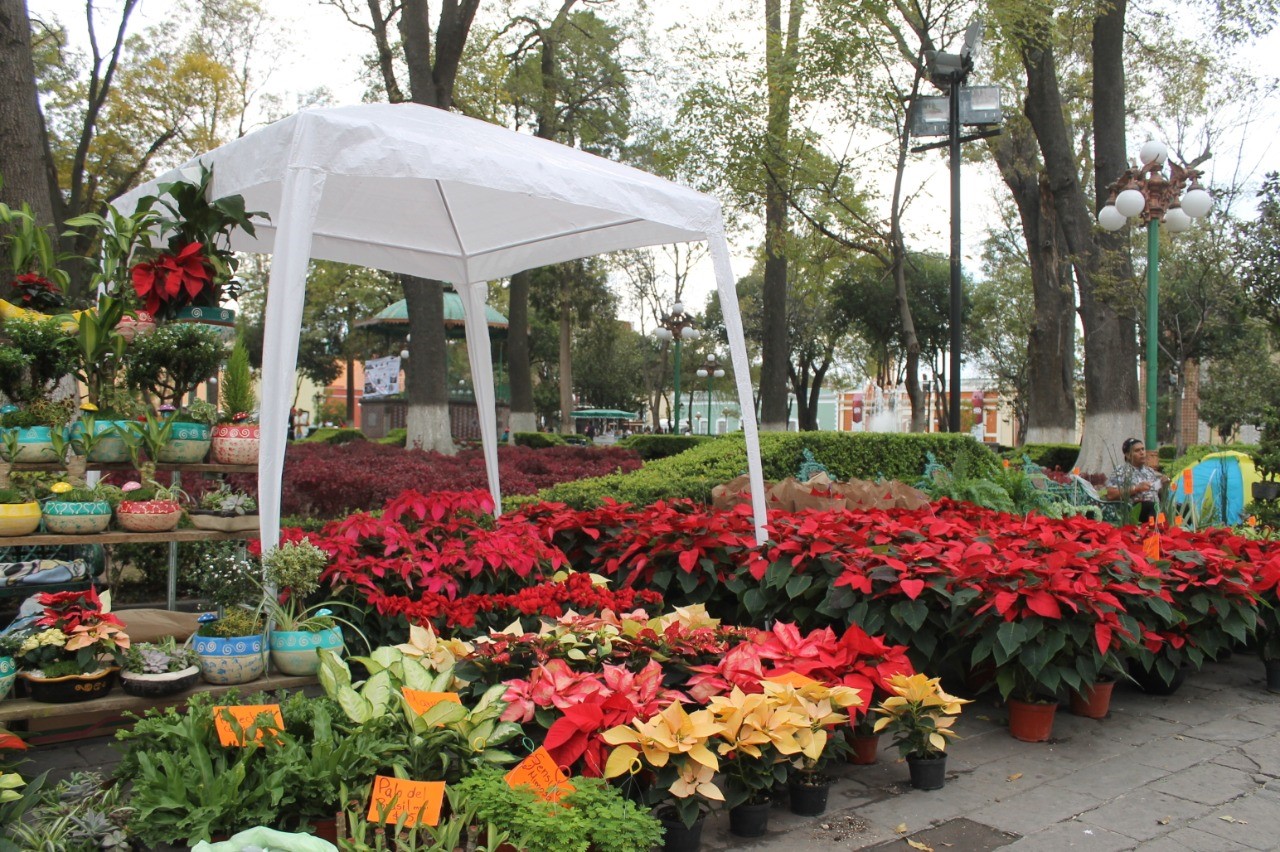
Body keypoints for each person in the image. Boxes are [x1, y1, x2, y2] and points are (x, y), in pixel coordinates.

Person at [1105, 438, 1168, 523]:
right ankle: (1153, 529)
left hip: (1154, 508)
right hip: (1133, 510)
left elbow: (1158, 492)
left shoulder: (1150, 471)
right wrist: (1136, 488)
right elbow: (1110, 495)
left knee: (1178, 506)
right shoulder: (1120, 471)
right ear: (1128, 455)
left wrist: (1163, 485)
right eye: (1137, 450)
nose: (1142, 453)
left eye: (1143, 449)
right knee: (1152, 506)